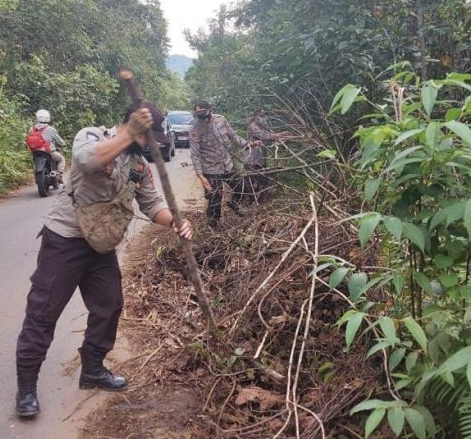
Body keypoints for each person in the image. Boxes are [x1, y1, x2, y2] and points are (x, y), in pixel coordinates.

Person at [14, 103, 193, 418]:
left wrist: (174, 222)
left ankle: (93, 369)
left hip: (102, 246)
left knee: (109, 306)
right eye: (148, 136)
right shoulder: (93, 135)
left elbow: (151, 203)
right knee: (43, 313)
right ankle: (26, 387)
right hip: (65, 240)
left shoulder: (138, 165)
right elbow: (86, 161)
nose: (152, 143)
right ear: (132, 125)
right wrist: (130, 134)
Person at [189, 99, 258, 227]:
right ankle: (213, 226)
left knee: (243, 187)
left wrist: (248, 144)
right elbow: (195, 154)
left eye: (203, 113)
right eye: (198, 115)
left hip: (227, 164)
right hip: (210, 169)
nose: (202, 117)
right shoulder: (194, 129)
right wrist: (201, 176)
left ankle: (233, 203)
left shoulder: (221, 120)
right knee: (215, 198)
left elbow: (233, 136)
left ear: (210, 110)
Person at [243, 109, 290, 202]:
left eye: (263, 115)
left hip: (260, 159)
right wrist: (281, 135)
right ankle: (251, 202)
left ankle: (259, 202)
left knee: (261, 181)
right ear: (255, 117)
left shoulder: (262, 127)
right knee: (253, 183)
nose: (263, 118)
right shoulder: (253, 126)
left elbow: (270, 136)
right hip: (252, 160)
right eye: (261, 116)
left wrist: (281, 136)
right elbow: (265, 136)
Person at [30, 109, 66, 178]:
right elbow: (59, 140)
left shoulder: (32, 129)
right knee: (61, 159)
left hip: (36, 151)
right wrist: (63, 144)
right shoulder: (51, 129)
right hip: (48, 151)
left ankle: (36, 174)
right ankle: (59, 174)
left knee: (35, 161)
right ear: (48, 118)